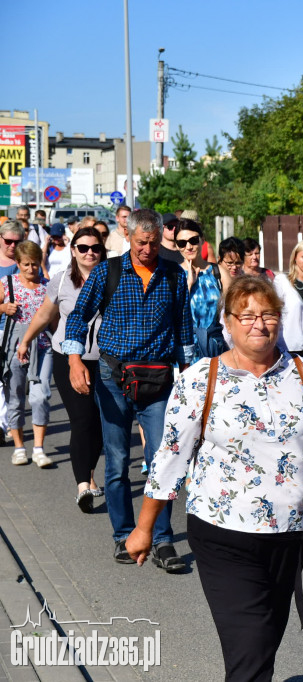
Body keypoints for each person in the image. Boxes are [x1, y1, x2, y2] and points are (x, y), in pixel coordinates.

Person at [125, 275, 303, 682]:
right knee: (250, 648)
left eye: (268, 314)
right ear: (227, 321)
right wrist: (144, 528)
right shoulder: (199, 379)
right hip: (223, 533)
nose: (259, 324)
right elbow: (170, 458)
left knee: (266, 639)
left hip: (292, 532)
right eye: (246, 316)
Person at [63, 208, 195, 571]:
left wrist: (190, 376)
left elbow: (184, 332)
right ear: (129, 238)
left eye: (153, 243)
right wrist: (75, 360)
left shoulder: (172, 276)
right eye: (140, 243)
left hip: (158, 381)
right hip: (113, 378)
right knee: (118, 460)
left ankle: (162, 540)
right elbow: (78, 317)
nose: (147, 250)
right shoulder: (108, 271)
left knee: (161, 461)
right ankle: (123, 535)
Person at [17, 227, 106, 509]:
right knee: (81, 420)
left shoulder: (114, 279)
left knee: (100, 425)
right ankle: (83, 486)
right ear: (73, 250)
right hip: (67, 358)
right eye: (83, 247)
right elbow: (45, 314)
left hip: (106, 360)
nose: (89, 252)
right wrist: (26, 341)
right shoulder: (61, 280)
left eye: (95, 248)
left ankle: (89, 474)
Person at [2, 241, 54, 468]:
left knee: (40, 396)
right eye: (26, 265)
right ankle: (19, 448)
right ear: (17, 264)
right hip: (14, 347)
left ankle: (39, 449)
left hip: (43, 346)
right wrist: (3, 308)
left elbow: (55, 318)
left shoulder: (47, 286)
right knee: (15, 398)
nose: (31, 269)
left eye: (35, 264)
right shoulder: (8, 283)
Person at [191, 237, 245, 358]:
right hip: (215, 342)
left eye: (238, 263)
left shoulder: (246, 283)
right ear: (219, 260)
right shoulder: (214, 278)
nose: (234, 267)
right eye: (229, 263)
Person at [173, 218, 207, 292]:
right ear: (177, 246)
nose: (189, 247)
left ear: (203, 240)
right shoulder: (171, 276)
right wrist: (188, 284)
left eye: (193, 240)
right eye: (182, 243)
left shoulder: (219, 272)